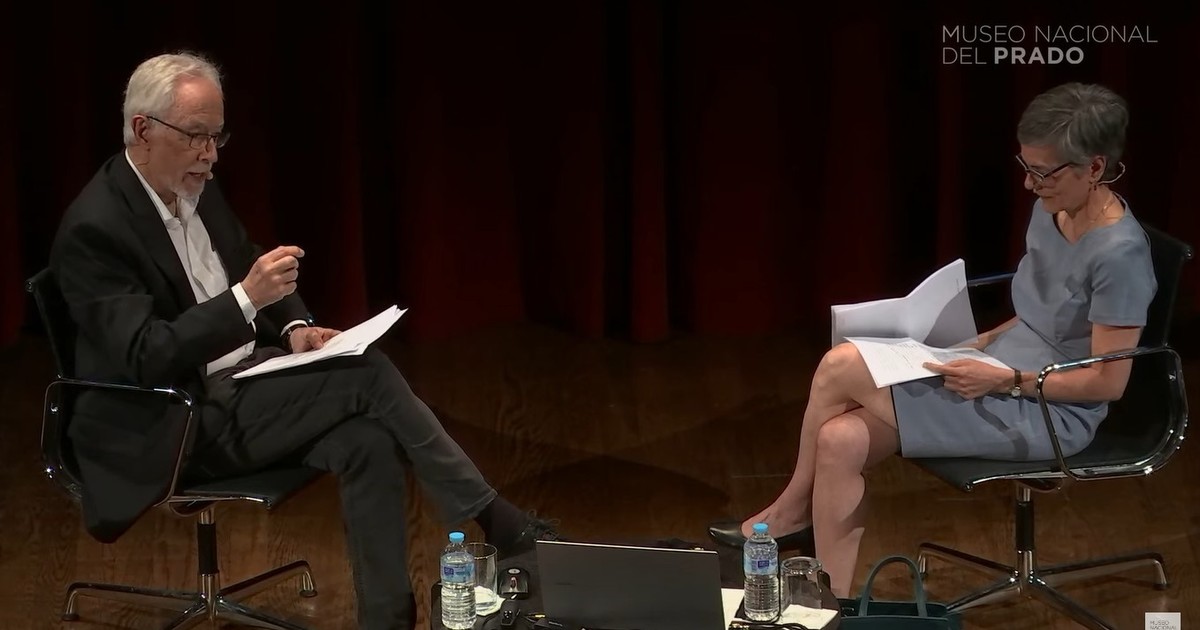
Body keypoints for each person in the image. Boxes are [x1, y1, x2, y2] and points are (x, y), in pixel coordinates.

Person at [49, 51, 557, 629]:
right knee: (366, 375)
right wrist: (247, 300)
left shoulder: (192, 185)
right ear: (143, 130)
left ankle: (389, 620)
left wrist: (294, 329)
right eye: (195, 136)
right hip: (171, 420)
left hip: (240, 383)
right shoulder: (95, 228)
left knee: (366, 440)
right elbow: (145, 356)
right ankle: (499, 521)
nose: (210, 155)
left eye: (216, 137)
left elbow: (247, 261)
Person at [706, 81, 1157, 598]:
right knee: (839, 441)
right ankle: (834, 606)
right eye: (1026, 166)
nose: (1029, 184)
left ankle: (790, 512)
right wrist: (979, 342)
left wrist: (1006, 379)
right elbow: (1040, 315)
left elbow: (1107, 382)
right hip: (996, 370)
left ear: (1095, 167)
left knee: (839, 367)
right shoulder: (1052, 208)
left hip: (1050, 410)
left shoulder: (1120, 256)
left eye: (1043, 172)